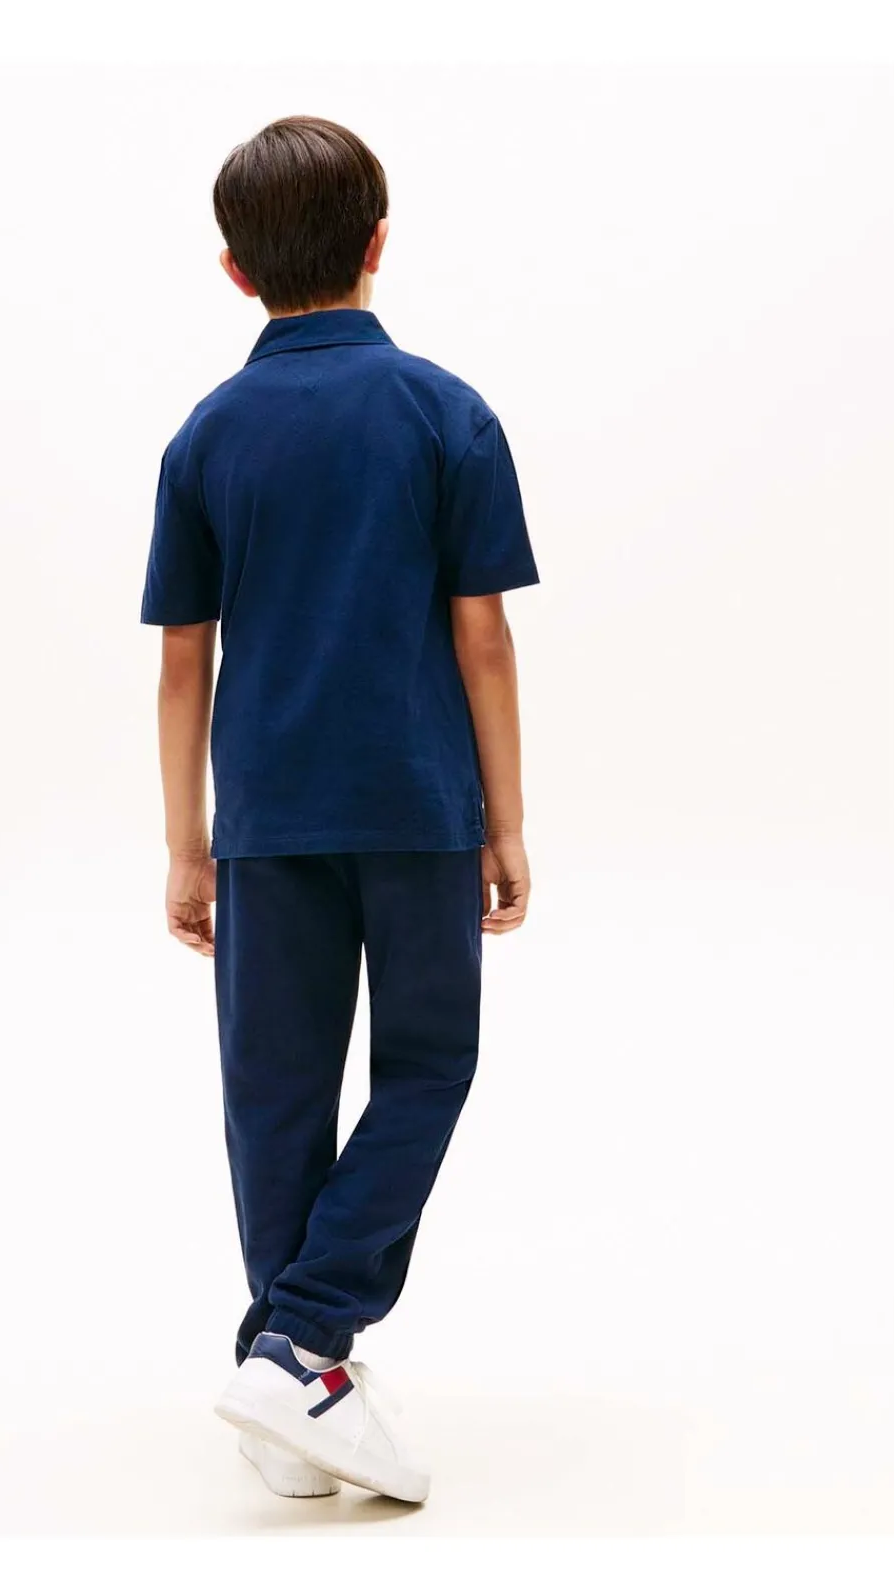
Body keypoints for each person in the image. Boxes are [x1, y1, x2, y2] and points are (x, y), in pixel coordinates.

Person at [140, 115, 537, 1504]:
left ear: (235, 270)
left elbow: (183, 658)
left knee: (275, 1091)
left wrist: (186, 844)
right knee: (425, 1067)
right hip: (419, 804)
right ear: (379, 242)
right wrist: (507, 819)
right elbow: (482, 637)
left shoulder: (208, 433)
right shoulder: (444, 412)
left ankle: (287, 1374)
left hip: (265, 815)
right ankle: (305, 1347)